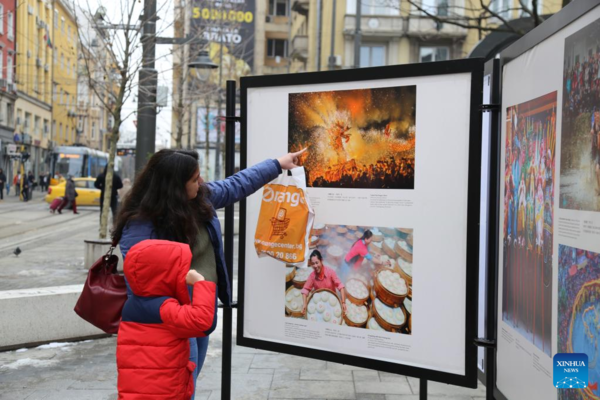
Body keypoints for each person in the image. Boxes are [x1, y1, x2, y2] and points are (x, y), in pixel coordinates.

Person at [113, 148, 305, 398]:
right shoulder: (141, 225)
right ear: (174, 186)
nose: (201, 182)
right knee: (177, 387)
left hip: (200, 310)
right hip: (172, 322)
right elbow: (141, 282)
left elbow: (237, 184)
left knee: (187, 383)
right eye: (194, 179)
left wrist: (278, 164)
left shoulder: (198, 199)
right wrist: (184, 284)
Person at [117, 239, 217, 400]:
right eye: (180, 269)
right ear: (162, 274)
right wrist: (201, 284)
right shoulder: (163, 308)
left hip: (137, 391)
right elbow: (202, 323)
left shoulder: (132, 305)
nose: (186, 272)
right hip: (165, 392)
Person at [301, 250, 347, 316]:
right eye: (313, 264)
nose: (315, 266)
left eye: (317, 262)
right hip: (319, 302)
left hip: (332, 300)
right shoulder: (312, 276)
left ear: (321, 261)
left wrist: (343, 302)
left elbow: (340, 286)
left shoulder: (330, 272)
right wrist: (305, 304)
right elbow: (305, 290)